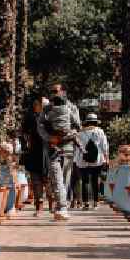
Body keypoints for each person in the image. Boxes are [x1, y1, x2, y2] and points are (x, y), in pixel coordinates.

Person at [38, 83, 81, 221]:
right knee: (56, 177)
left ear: (63, 91)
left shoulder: (72, 107)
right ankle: (61, 206)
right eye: (51, 91)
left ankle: (62, 206)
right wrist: (50, 138)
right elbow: (40, 126)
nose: (53, 93)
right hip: (52, 146)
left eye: (56, 91)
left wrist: (67, 135)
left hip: (68, 147)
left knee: (65, 178)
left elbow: (77, 126)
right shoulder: (47, 109)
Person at [75, 113, 109, 210]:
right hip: (97, 160)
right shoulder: (100, 132)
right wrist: (106, 158)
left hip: (83, 160)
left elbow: (77, 148)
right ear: (95, 122)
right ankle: (95, 203)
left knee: (85, 181)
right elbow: (104, 146)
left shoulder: (80, 133)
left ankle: (85, 204)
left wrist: (76, 159)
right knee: (95, 181)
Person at [22, 96, 49, 216]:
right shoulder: (30, 117)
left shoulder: (50, 118)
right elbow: (24, 132)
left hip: (49, 152)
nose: (39, 106)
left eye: (42, 105)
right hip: (34, 152)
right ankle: (39, 204)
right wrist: (26, 143)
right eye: (38, 104)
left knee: (49, 179)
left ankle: (53, 202)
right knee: (36, 180)